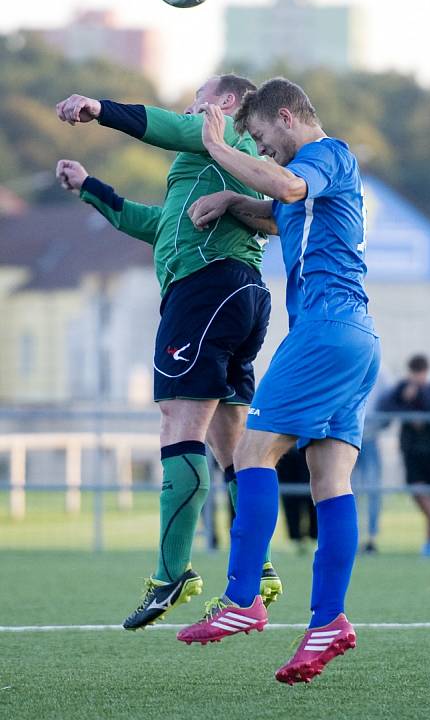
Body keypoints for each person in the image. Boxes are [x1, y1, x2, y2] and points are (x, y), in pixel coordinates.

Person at [55, 75, 282, 629]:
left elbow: (166, 125)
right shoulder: (212, 165)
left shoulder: (217, 132)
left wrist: (98, 107)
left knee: (179, 425)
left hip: (205, 288)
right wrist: (90, 186)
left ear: (226, 102)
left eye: (199, 95)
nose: (190, 105)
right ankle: (261, 570)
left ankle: (170, 573)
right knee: (231, 445)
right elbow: (155, 224)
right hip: (241, 293)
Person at [177, 78, 381, 686]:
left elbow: (289, 186)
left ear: (287, 118)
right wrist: (236, 204)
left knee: (251, 451)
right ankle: (328, 624)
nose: (261, 151)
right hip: (357, 338)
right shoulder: (316, 178)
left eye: (262, 138)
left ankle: (243, 599)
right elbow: (283, 209)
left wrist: (219, 148)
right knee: (329, 481)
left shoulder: (325, 153)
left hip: (323, 329)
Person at [380, 354, 430, 556]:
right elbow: (387, 405)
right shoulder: (404, 385)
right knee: (417, 491)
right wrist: (406, 402)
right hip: (412, 450)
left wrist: (421, 389)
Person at [352, 370, 390, 554]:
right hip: (346, 436)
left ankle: (371, 538)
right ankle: (351, 537)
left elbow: (388, 403)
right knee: (346, 489)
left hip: (369, 438)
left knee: (373, 489)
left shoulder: (382, 370)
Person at [277, 446, 317, 552]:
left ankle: (314, 537)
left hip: (309, 444)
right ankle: (295, 539)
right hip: (286, 448)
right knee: (289, 498)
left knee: (314, 494)